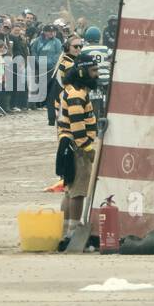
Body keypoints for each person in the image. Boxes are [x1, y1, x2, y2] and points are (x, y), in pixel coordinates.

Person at [55, 49, 100, 239]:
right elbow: (77, 126)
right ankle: (73, 233)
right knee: (78, 193)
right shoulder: (76, 95)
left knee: (70, 190)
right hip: (77, 148)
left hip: (70, 145)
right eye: (93, 71)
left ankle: (65, 232)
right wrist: (88, 149)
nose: (96, 74)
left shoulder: (75, 91)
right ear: (82, 72)